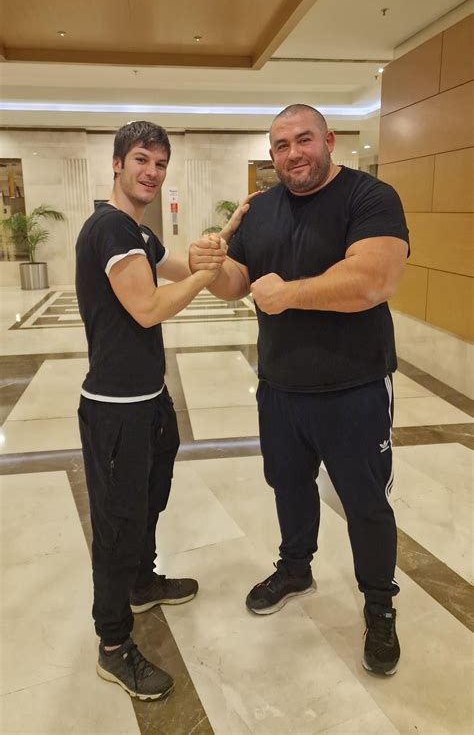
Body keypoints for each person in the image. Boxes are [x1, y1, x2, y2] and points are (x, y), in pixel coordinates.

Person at [189, 104, 409, 676]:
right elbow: (238, 283)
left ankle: (379, 603)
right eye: (281, 145)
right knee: (287, 486)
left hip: (355, 386)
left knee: (365, 502)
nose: (294, 154)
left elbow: (375, 279)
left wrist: (289, 294)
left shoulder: (370, 197)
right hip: (280, 386)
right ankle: (295, 568)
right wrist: (209, 267)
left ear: (329, 140)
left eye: (304, 139)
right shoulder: (260, 209)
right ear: (272, 154)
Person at [76, 121, 247, 701]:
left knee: (150, 500)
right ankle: (112, 644)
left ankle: (141, 583)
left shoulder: (139, 233)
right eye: (141, 160)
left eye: (160, 163)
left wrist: (215, 252)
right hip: (115, 410)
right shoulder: (109, 229)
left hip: (149, 400)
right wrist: (203, 273)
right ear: (117, 164)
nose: (151, 172)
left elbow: (192, 273)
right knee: (116, 526)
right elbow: (148, 308)